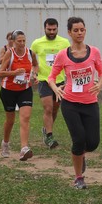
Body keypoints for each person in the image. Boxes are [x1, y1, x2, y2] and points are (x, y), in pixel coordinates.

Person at [47, 17, 102, 189]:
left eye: (82, 29)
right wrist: (56, 88)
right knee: (78, 139)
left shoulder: (94, 52)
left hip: (90, 102)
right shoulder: (63, 55)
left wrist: (100, 84)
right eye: (76, 30)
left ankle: (81, 156)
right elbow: (51, 76)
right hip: (70, 103)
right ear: (69, 33)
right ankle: (78, 177)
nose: (79, 33)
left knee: (93, 142)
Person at [0, 30, 39, 161]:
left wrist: (34, 75)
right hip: (8, 90)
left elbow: (36, 65)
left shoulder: (30, 53)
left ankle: (24, 148)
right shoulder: (10, 53)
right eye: (19, 41)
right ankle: (5, 143)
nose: (21, 43)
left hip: (25, 89)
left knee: (25, 117)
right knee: (10, 120)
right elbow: (0, 73)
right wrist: (14, 73)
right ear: (13, 42)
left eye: (23, 41)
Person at [31, 18, 70, 149]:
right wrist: (34, 69)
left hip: (59, 81)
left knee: (55, 109)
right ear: (44, 29)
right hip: (44, 80)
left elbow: (69, 59)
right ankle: (49, 136)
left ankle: (46, 129)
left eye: (54, 29)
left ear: (58, 29)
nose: (52, 32)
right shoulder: (37, 43)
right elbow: (31, 56)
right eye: (49, 29)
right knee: (47, 108)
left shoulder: (64, 42)